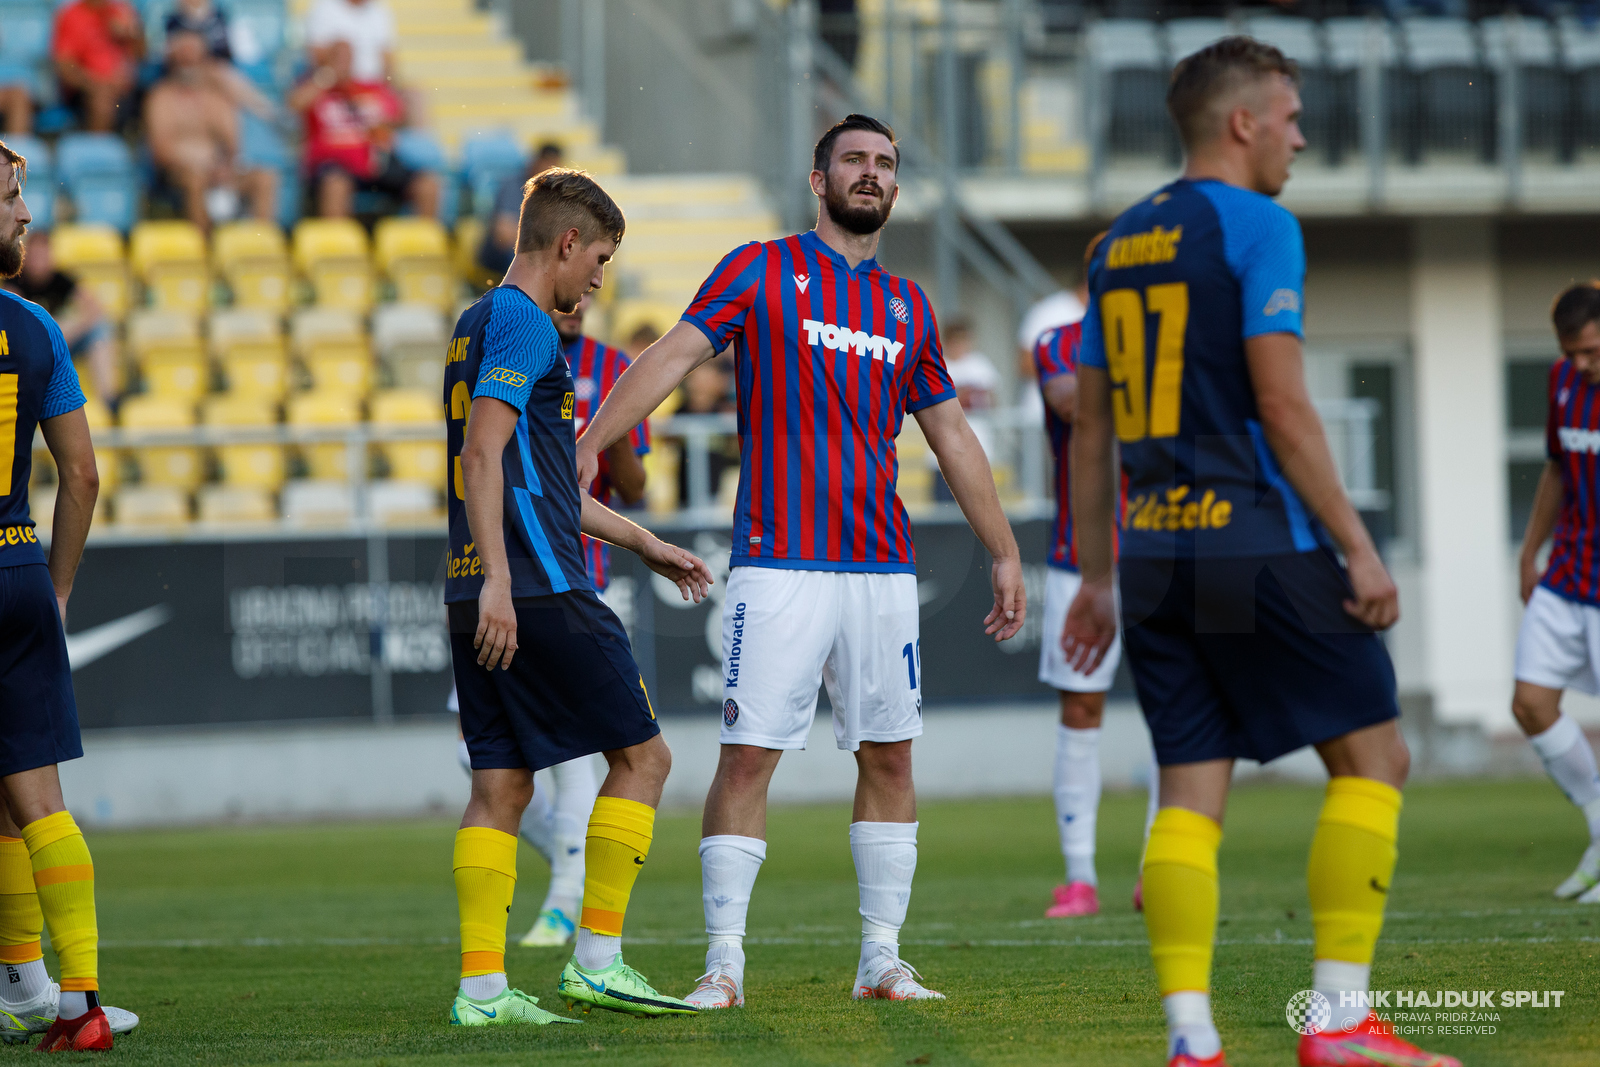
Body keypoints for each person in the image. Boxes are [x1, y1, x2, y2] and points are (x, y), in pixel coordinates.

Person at [1061, 38, 1460, 1067]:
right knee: (1376, 754)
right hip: (1250, 534)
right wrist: (1359, 549)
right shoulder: (1259, 225)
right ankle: (1337, 1024)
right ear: (1240, 123)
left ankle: (1191, 1037)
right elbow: (1281, 404)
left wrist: (1099, 573)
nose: (1299, 134)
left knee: (1191, 782)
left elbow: (1094, 430)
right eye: (1288, 115)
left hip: (1152, 551)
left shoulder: (1116, 245)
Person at [573, 113, 1027, 1011]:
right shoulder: (760, 268)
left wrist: (1004, 548)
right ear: (817, 180)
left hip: (882, 569)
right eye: (853, 160)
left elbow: (954, 437)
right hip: (780, 561)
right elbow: (670, 354)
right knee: (747, 758)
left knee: (890, 760)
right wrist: (590, 442)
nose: (871, 173)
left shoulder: (909, 307)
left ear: (895, 187)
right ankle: (724, 964)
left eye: (885, 164)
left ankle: (880, 960)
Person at [444, 166, 711, 1027]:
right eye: (598, 259)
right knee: (645, 759)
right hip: (540, 586)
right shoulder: (528, 326)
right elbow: (485, 458)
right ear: (565, 244)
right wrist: (503, 581)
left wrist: (646, 543)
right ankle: (597, 959)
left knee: (501, 784)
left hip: (478, 583)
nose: (599, 277)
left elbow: (541, 478)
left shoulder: (474, 320)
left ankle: (482, 990)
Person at [0, 138, 140, 1051]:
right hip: (12, 567)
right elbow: (81, 476)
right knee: (33, 797)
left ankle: (30, 987)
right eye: (12, 199)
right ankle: (66, 996)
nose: (26, 215)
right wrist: (54, 589)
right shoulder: (33, 326)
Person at [1510, 281, 1600, 906]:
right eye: (1573, 353)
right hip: (1568, 572)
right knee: (1530, 702)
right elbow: (1555, 470)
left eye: (1593, 351)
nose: (1583, 364)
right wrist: (1529, 550)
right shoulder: (1562, 383)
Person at [289, 41, 438, 220]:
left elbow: (399, 118)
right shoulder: (315, 89)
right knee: (336, 184)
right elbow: (294, 104)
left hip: (375, 163)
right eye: (337, 57)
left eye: (347, 58)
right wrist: (326, 78)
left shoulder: (370, 88)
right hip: (336, 165)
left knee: (427, 184)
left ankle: (423, 243)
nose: (343, 63)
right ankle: (338, 245)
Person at [146, 31, 278, 231]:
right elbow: (161, 151)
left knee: (265, 178)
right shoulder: (161, 97)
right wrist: (196, 163)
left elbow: (233, 144)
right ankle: (203, 248)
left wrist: (222, 167)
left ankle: (260, 242)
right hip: (179, 172)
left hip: (217, 168)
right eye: (183, 56)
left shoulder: (215, 98)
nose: (188, 62)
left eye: (193, 56)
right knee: (195, 179)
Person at [4, 230, 116, 406]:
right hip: (30, 350)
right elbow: (15, 323)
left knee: (100, 329)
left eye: (44, 253)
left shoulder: (61, 279)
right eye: (35, 254)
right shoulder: (16, 282)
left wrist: (64, 329)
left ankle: (109, 399)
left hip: (62, 340)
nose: (40, 259)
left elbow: (95, 309)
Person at [51, 0, 144, 134]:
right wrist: (97, 85)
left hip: (125, 90)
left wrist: (132, 32)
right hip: (85, 90)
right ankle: (99, 149)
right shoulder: (71, 15)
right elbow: (65, 67)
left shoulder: (122, 12)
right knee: (102, 101)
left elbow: (142, 55)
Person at [479, 143, 564, 277]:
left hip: (530, 250)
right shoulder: (512, 185)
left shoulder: (555, 193)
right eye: (548, 165)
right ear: (536, 162)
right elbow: (503, 234)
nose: (551, 172)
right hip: (498, 254)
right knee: (520, 257)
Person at [305, 0, 396, 86]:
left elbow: (388, 61)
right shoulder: (325, 7)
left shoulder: (379, 10)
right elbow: (317, 54)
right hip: (336, 83)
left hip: (373, 85)